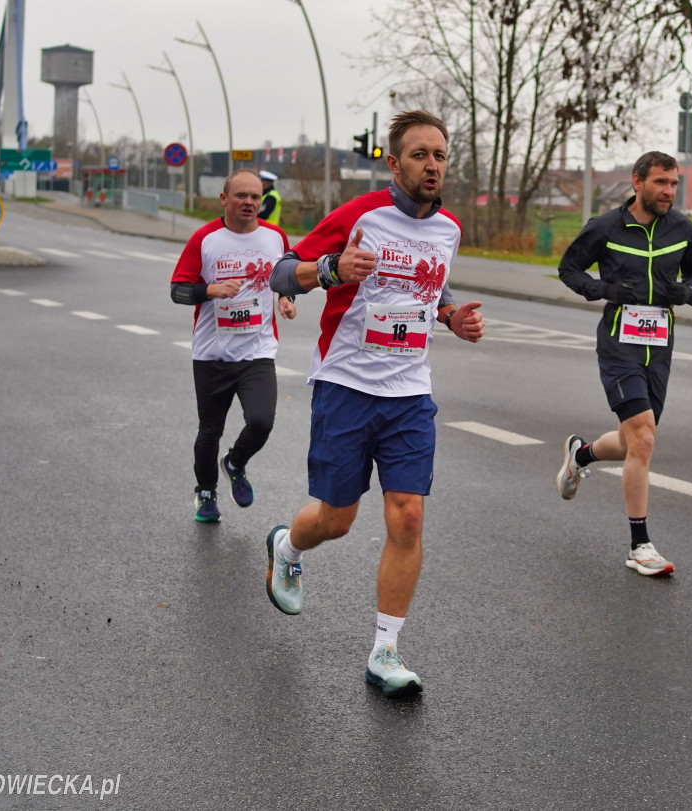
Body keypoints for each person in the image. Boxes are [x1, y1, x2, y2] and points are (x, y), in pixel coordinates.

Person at [267, 109, 484, 698]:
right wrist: (334, 269)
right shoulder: (360, 216)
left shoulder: (450, 230)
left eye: (439, 155)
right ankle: (287, 545)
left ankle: (385, 649)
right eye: (419, 154)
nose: (432, 165)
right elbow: (281, 274)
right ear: (393, 163)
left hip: (410, 393)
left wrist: (449, 316)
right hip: (346, 386)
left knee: (408, 514)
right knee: (336, 520)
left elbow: (428, 288)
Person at [554, 151, 692, 576]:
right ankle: (640, 545)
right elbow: (569, 269)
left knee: (634, 439)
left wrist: (689, 293)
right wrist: (604, 288)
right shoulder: (605, 227)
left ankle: (581, 455)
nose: (669, 191)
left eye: (674, 183)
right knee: (643, 437)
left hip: (659, 345)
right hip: (620, 343)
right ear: (637, 183)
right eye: (661, 182)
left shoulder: (682, 229)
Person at [170, 169, 297, 523]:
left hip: (257, 351)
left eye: (255, 197)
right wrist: (211, 290)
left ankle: (236, 462)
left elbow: (282, 279)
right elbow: (178, 290)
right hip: (212, 353)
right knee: (209, 430)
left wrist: (285, 299)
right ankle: (206, 491)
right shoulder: (205, 238)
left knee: (261, 421)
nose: (249, 202)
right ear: (224, 199)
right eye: (241, 195)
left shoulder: (275, 237)